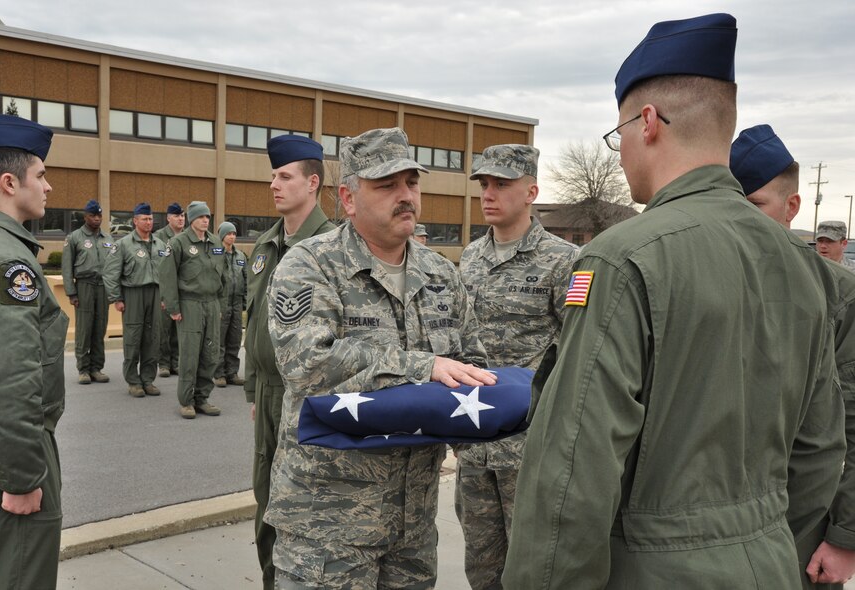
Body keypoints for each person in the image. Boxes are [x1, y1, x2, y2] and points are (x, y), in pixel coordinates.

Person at [503, 14, 845, 589]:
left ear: (649, 122)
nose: (619, 155)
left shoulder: (620, 258)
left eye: (619, 136)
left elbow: (572, 470)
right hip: (768, 564)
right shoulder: (804, 265)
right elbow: (817, 448)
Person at [266, 127, 493, 588]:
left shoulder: (441, 274)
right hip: (328, 529)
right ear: (348, 198)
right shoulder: (310, 264)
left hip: (412, 527)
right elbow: (307, 365)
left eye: (411, 182)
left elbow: (472, 365)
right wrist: (421, 367)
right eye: (387, 185)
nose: (405, 195)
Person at [731, 124, 855, 589]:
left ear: (792, 207)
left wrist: (845, 537)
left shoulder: (837, 294)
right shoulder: (706, 281)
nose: (740, 218)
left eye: (755, 204)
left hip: (803, 530)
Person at [455, 144, 578, 589]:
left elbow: (576, 351)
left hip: (531, 449)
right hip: (472, 441)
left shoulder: (564, 260)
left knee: (534, 569)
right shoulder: (469, 258)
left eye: (501, 185)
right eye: (484, 184)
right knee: (483, 567)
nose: (489, 194)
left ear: (531, 191)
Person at [0, 113, 68, 588]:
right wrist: (23, 476)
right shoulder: (4, 259)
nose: (48, 187)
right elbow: (3, 376)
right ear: (9, 182)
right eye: (41, 175)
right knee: (13, 570)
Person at [243, 134, 336, 588]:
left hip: (308, 393)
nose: (274, 185)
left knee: (301, 506)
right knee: (265, 502)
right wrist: (252, 389)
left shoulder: (333, 246)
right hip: (267, 391)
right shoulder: (265, 246)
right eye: (272, 177)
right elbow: (253, 321)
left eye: (284, 176)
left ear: (312, 182)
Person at [159, 200, 227, 419]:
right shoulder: (178, 243)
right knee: (189, 354)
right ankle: (186, 401)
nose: (205, 220)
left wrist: (220, 306)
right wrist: (173, 307)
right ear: (191, 219)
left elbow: (222, 276)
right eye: (200, 217)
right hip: (190, 304)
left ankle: (202, 398)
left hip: (211, 303)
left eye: (207, 217)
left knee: (211, 353)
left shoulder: (216, 242)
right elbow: (167, 276)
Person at [103, 202, 168, 398]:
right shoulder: (123, 244)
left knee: (153, 338)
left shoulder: (160, 245)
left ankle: (148, 380)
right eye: (144, 219)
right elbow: (110, 273)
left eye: (150, 219)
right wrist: (116, 298)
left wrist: (166, 297)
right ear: (135, 221)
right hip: (133, 294)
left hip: (155, 294)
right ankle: (133, 381)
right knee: (133, 338)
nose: (149, 222)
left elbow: (167, 273)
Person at [61, 198, 112, 384]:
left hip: (103, 287)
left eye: (99, 215)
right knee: (84, 329)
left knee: (100, 328)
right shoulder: (74, 237)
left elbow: (114, 267)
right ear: (85, 217)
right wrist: (71, 293)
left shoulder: (108, 238)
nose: (97, 219)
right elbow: (66, 268)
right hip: (84, 286)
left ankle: (96, 368)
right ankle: (83, 369)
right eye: (93, 215)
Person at [213, 221, 247, 388]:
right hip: (222, 301)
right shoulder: (216, 255)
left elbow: (246, 278)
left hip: (237, 302)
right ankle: (218, 373)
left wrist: (246, 303)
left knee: (235, 339)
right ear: (222, 236)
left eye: (234, 234)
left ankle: (232, 372)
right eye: (228, 234)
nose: (232, 236)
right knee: (220, 339)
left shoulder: (240, 256)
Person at [154, 202, 184, 377]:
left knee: (178, 328)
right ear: (168, 218)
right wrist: (163, 295)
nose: (180, 219)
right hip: (165, 289)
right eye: (176, 216)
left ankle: (176, 361)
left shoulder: (188, 237)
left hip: (182, 289)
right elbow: (158, 267)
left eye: (182, 216)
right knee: (164, 328)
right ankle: (164, 363)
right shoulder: (159, 237)